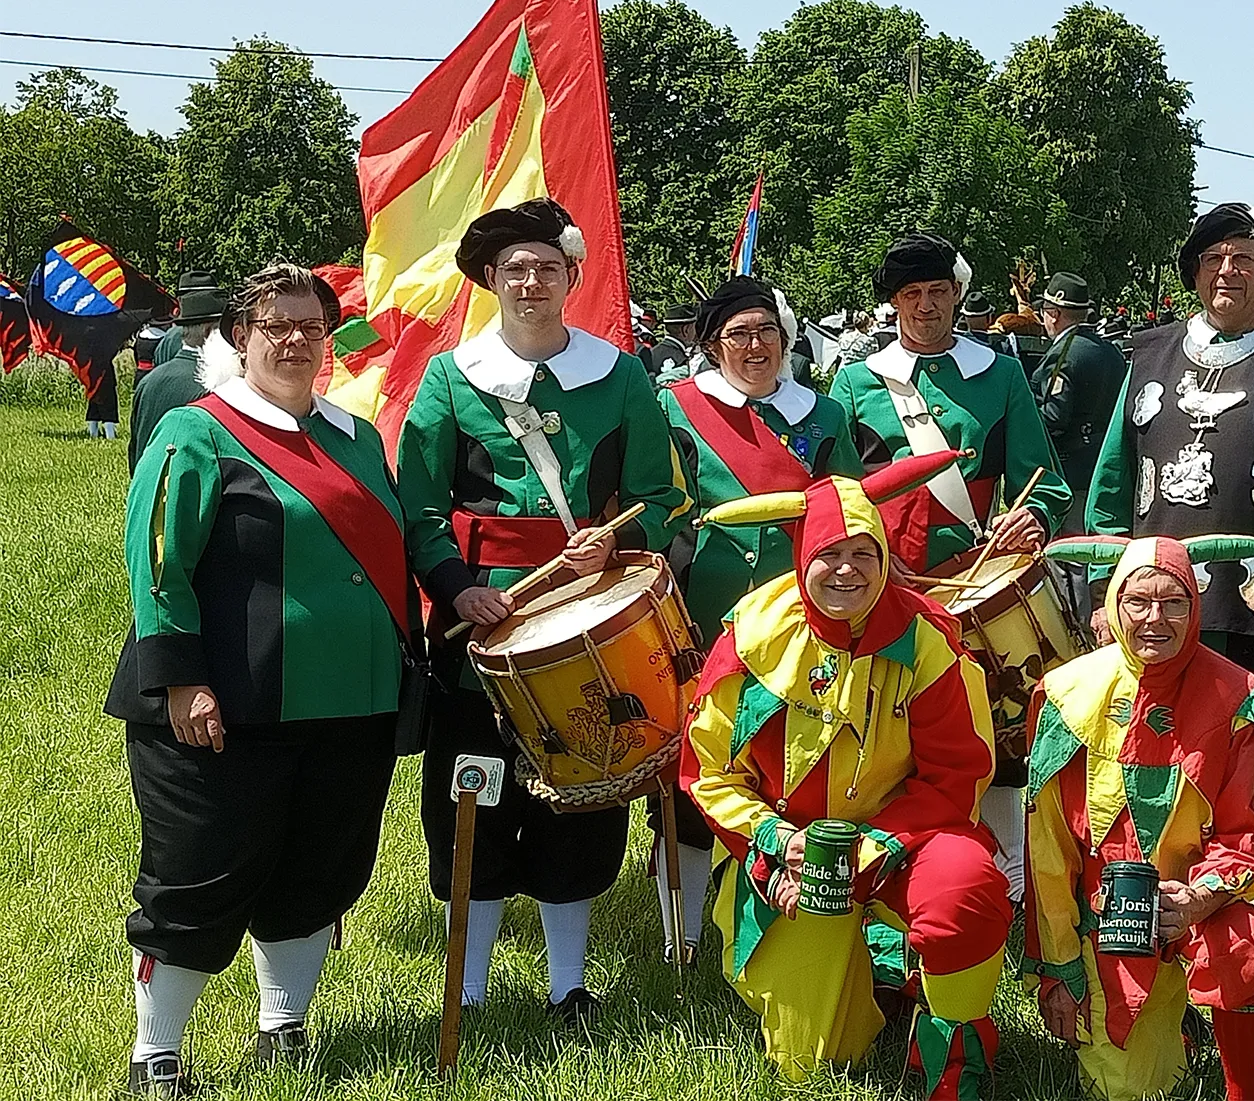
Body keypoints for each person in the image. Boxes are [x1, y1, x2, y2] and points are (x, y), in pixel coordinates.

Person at [108, 264, 406, 1093]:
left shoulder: (359, 437)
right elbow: (158, 561)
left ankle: (285, 1027)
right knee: (201, 873)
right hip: (225, 704)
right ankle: (157, 1050)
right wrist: (178, 679)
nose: (294, 339)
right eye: (275, 324)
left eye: (310, 325)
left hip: (352, 700)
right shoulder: (197, 431)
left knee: (319, 869)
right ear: (240, 337)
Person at [397, 197, 692, 1019]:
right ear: (492, 280)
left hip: (587, 613)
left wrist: (620, 547)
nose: (531, 281)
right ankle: (471, 989)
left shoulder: (623, 373)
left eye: (547, 268)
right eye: (515, 269)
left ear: (571, 277)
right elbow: (416, 507)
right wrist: (459, 586)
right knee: (475, 794)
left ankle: (569, 985)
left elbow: (660, 496)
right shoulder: (451, 378)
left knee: (583, 794)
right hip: (482, 622)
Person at [682, 453, 1009, 1097]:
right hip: (790, 861)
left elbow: (956, 775)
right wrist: (774, 849)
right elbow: (708, 774)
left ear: (885, 557)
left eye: (864, 553)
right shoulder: (753, 638)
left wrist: (878, 845)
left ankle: (953, 1062)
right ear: (803, 558)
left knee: (965, 890)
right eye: (830, 553)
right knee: (819, 1058)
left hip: (904, 842)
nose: (846, 570)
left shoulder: (926, 641)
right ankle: (888, 973)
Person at [1086, 202, 1254, 871]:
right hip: (1158, 603)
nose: (1227, 270)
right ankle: (1162, 888)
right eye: (1213, 258)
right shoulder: (1148, 356)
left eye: (1243, 256)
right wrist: (1102, 586)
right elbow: (1114, 478)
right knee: (1160, 749)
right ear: (1194, 273)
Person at [830, 233, 1069, 905]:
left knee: (994, 736)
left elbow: (1043, 479)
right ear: (894, 302)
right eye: (912, 295)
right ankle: (897, 882)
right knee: (894, 733)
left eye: (938, 292)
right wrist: (871, 562)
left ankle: (1013, 891)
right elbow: (843, 493)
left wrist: (1038, 519)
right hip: (891, 591)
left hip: (981, 584)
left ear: (957, 295)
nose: (926, 306)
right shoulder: (857, 380)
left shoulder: (1000, 373)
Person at [1026, 534, 1254, 1101]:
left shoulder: (1239, 697)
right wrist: (1057, 967)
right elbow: (1047, 849)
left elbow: (1247, 834)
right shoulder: (1066, 695)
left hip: (1205, 902)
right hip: (1105, 917)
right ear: (1112, 607)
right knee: (1128, 1091)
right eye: (1138, 602)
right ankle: (1176, 1020)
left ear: (1196, 606)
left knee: (1252, 946)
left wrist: (1199, 898)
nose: (1156, 618)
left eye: (1174, 601)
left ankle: (1242, 1089)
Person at [652, 275, 863, 959]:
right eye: (738, 334)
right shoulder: (677, 408)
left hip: (800, 614)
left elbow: (849, 504)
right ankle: (681, 934)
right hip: (705, 610)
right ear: (712, 346)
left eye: (766, 330)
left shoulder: (824, 416)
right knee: (697, 764)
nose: (755, 345)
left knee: (785, 761)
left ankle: (783, 908)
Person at [1032, 272, 1129, 535]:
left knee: (1069, 557)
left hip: (1070, 471)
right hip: (1106, 465)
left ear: (1053, 314)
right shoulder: (1111, 351)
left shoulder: (1063, 353)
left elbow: (1053, 417)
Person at [127, 271, 228, 473]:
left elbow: (135, 451)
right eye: (225, 329)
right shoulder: (215, 384)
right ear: (210, 332)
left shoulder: (148, 382)